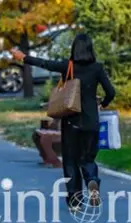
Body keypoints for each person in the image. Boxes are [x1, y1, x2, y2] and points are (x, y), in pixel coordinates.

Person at [11, 33, 116, 211]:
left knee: (70, 161)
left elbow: (45, 63)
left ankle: (75, 201)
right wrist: (102, 104)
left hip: (71, 122)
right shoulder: (97, 68)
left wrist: (23, 57)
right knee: (87, 159)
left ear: (74, 49)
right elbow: (111, 92)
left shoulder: (68, 67)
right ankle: (92, 181)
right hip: (91, 122)